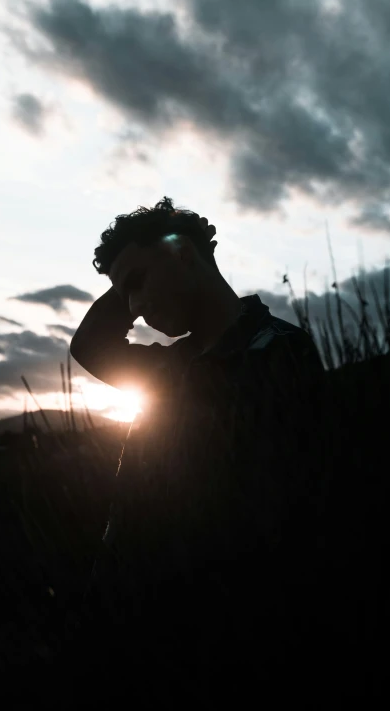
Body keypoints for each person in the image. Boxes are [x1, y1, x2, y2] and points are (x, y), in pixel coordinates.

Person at [69, 196, 330, 700]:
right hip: (130, 627)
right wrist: (131, 277)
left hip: (222, 646)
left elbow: (281, 511)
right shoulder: (169, 365)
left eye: (139, 284)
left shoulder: (277, 349)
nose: (136, 311)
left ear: (182, 254)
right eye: (126, 298)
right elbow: (89, 349)